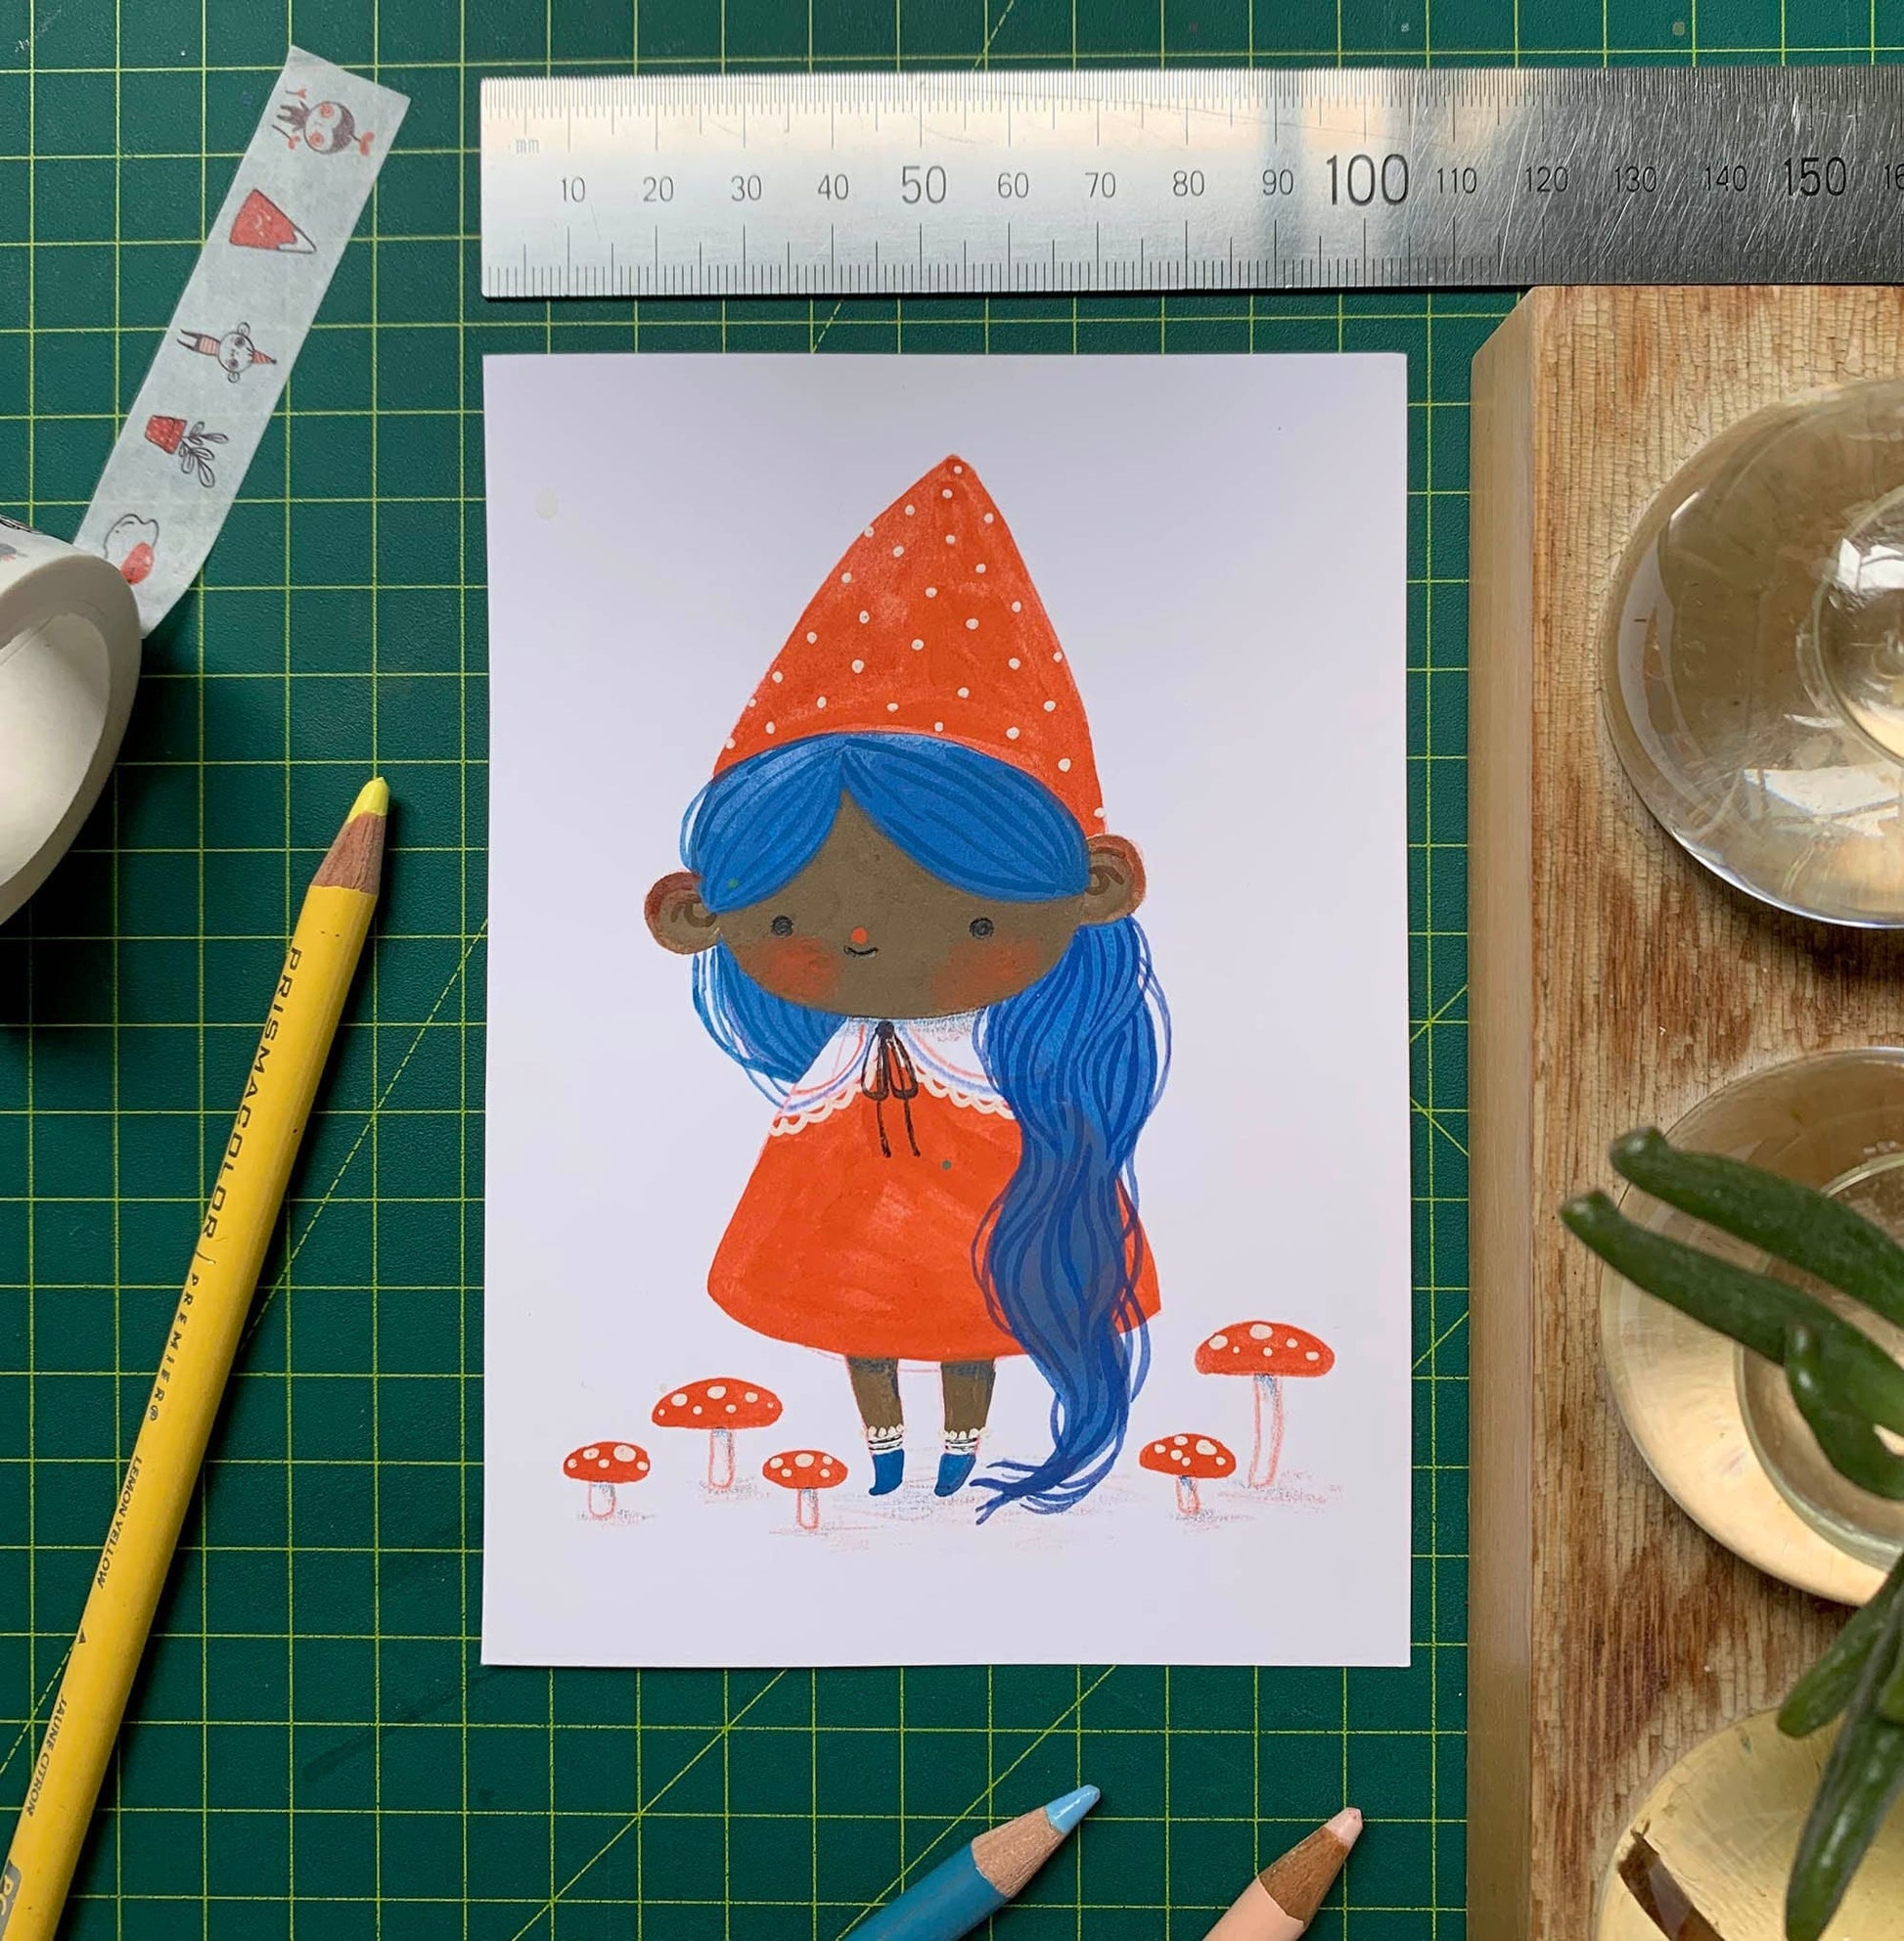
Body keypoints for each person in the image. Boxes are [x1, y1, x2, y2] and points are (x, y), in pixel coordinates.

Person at [645, 456, 1168, 1518]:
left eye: (973, 919)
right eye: (788, 919)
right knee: (863, 1315)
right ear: (696, 913)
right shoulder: (834, 1071)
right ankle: (886, 1452)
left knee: (974, 1312)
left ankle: (959, 1453)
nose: (863, 942)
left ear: (1096, 889)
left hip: (986, 1178)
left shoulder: (1018, 1085)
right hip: (850, 1179)